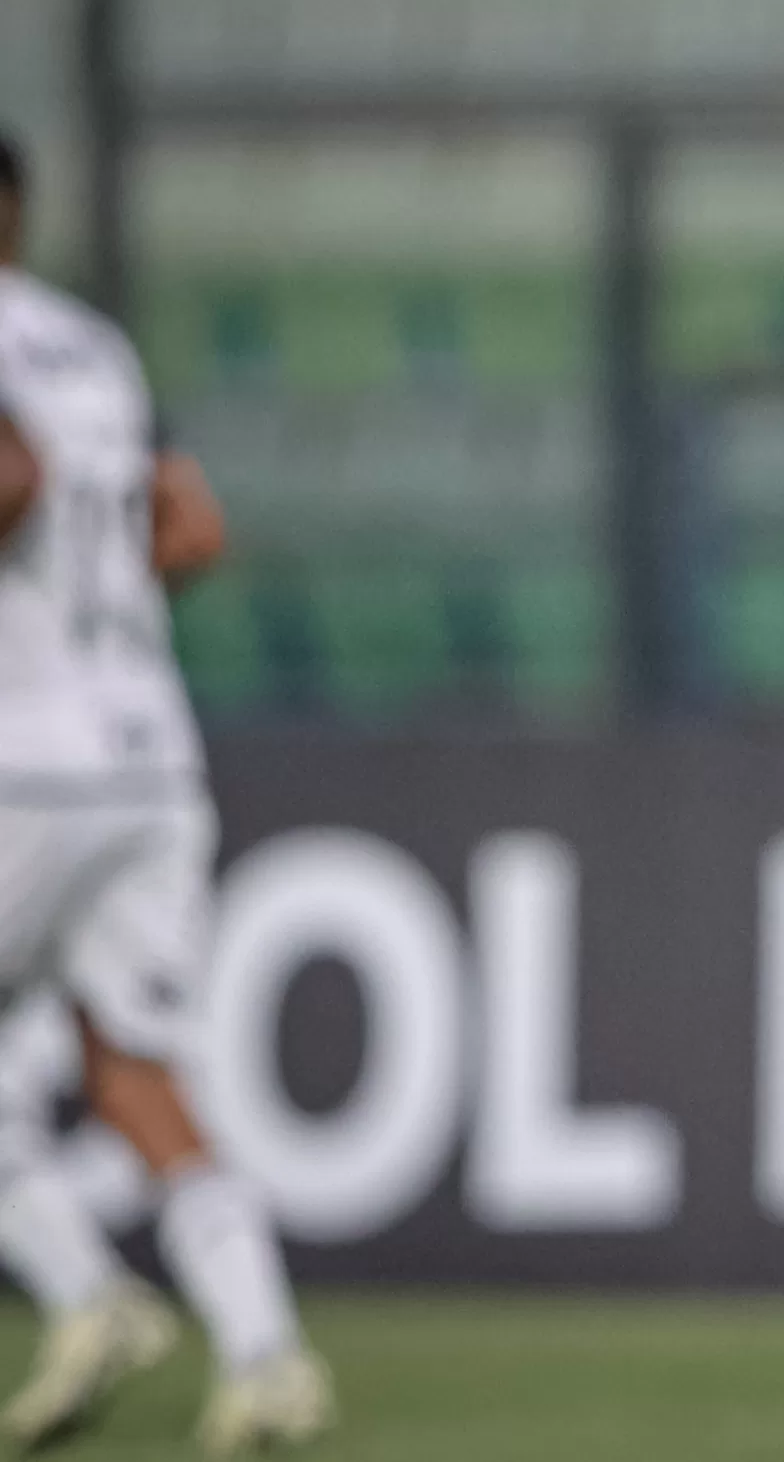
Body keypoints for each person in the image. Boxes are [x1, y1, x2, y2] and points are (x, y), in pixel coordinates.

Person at [0, 132, 333, 1454]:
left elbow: (14, 476)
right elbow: (189, 529)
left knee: (126, 1065)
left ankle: (83, 1288)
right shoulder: (94, 346)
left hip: (22, 754)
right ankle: (266, 1356)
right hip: (146, 752)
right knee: (136, 1067)